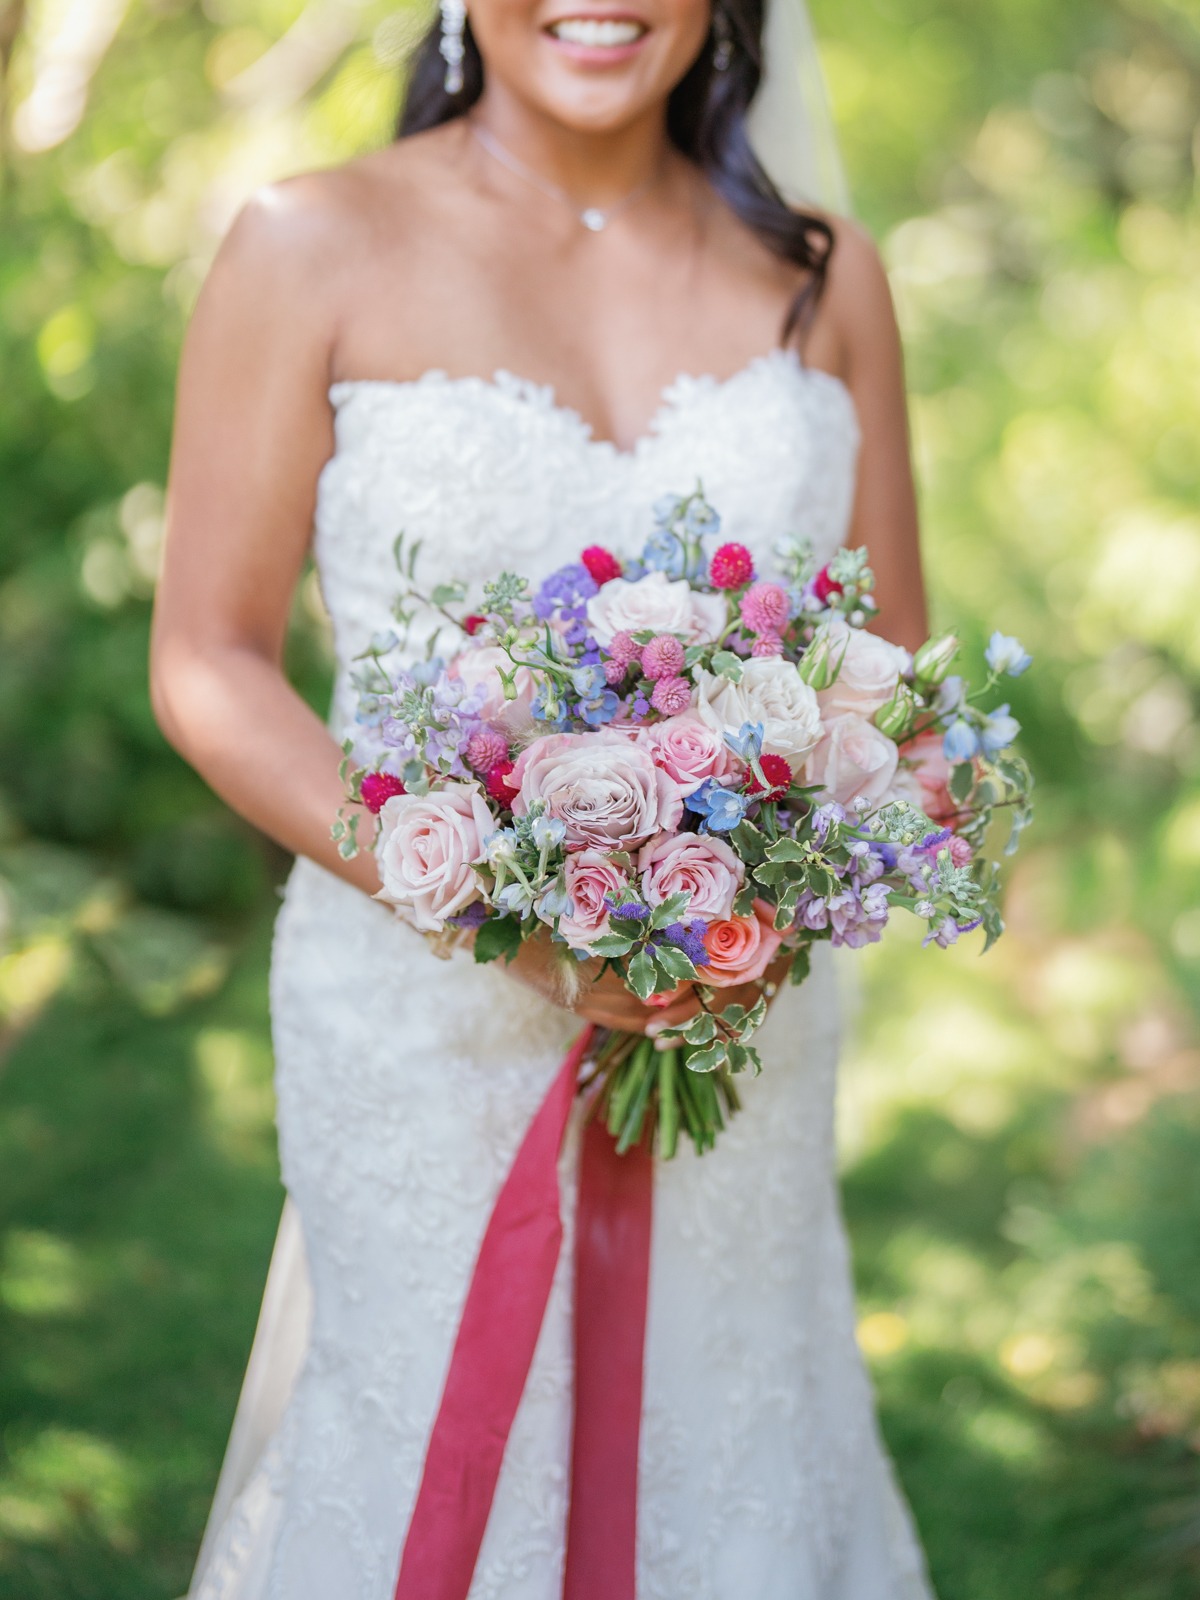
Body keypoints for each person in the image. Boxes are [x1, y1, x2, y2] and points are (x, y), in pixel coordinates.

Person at [150, 0, 934, 1591]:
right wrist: (485, 899)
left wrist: (767, 885)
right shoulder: (308, 243)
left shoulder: (826, 275)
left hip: (738, 1013)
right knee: (426, 1434)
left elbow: (893, 667)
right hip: (414, 1005)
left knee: (732, 1424)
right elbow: (211, 661)